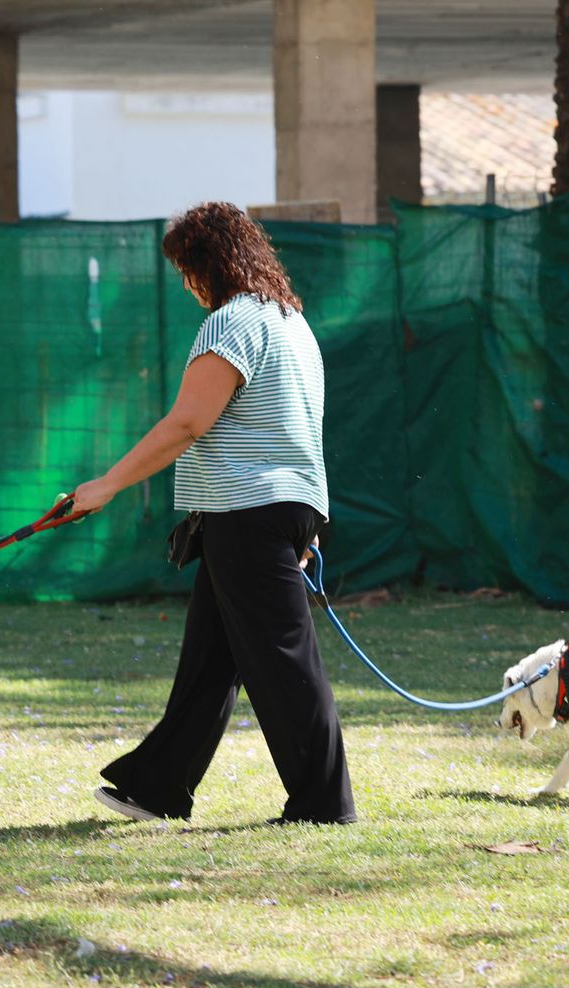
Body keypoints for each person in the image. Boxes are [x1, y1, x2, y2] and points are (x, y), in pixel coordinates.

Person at [71, 201, 356, 826]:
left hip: (246, 511)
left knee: (283, 661)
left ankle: (324, 805)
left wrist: (107, 485)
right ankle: (157, 788)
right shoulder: (292, 324)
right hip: (287, 506)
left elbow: (189, 422)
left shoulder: (232, 322)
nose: (186, 284)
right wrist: (303, 526)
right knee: (210, 662)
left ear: (213, 264)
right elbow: (298, 427)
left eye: (187, 269)